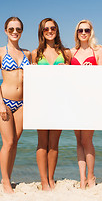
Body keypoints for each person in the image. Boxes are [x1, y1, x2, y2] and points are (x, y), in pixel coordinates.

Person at [0, 17, 31, 193]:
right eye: (11, 29)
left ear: (22, 31)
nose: (15, 32)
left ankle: (7, 175)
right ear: (5, 31)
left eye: (18, 29)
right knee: (7, 142)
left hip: (22, 103)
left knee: (15, 142)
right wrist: (0, 102)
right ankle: (6, 181)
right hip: (4, 101)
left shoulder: (27, 54)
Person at [31, 18, 71, 190]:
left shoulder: (65, 52)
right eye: (45, 28)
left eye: (52, 28)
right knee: (42, 142)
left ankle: (51, 178)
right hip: (40, 101)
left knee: (54, 143)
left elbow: (73, 78)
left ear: (57, 30)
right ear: (41, 31)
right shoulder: (35, 53)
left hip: (59, 101)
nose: (49, 31)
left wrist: (66, 68)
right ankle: (43, 180)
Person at [70, 20, 102, 189]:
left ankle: (91, 175)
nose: (83, 32)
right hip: (75, 100)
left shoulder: (98, 50)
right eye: (80, 30)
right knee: (78, 140)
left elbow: (101, 75)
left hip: (91, 100)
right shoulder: (71, 52)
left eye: (86, 30)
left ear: (91, 31)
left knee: (87, 140)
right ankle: (82, 178)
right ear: (76, 33)